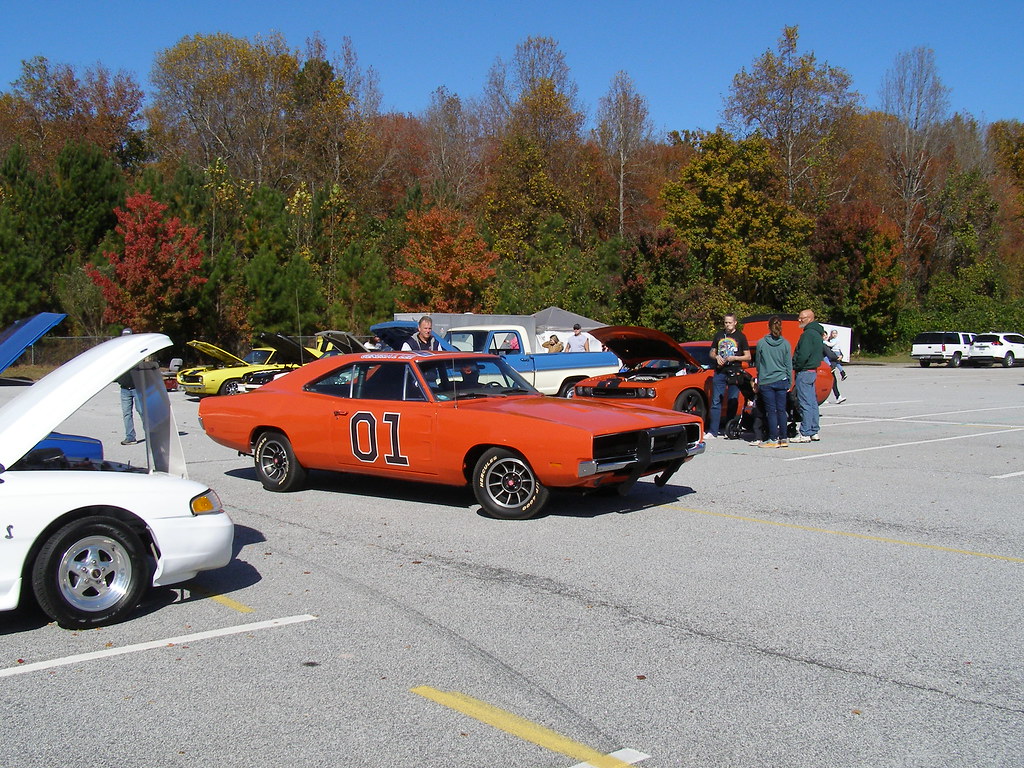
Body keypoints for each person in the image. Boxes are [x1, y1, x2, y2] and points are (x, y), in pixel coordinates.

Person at [707, 313, 751, 438]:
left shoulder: (741, 337)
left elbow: (748, 356)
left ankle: (729, 428)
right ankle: (713, 431)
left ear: (735, 323)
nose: (727, 325)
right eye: (726, 322)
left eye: (730, 322)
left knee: (732, 399)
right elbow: (712, 351)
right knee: (716, 400)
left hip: (734, 371)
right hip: (720, 371)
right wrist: (716, 357)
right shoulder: (719, 335)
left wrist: (734, 357)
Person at [755, 316, 793, 448]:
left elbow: (758, 364)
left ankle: (773, 438)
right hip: (782, 379)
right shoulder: (786, 344)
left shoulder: (761, 343)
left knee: (771, 411)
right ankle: (783, 438)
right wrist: (790, 381)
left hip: (767, 380)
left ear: (768, 326)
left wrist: (759, 378)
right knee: (781, 410)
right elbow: (789, 364)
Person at [791, 309, 825, 442]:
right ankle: (814, 430)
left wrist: (796, 365)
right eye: (799, 318)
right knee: (812, 402)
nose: (799, 320)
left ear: (810, 318)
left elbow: (803, 354)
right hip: (812, 371)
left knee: (805, 402)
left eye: (802, 318)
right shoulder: (817, 334)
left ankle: (805, 433)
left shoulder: (807, 334)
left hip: (804, 371)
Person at [117, 328, 143, 445]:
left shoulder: (137, 352)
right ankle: (130, 436)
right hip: (124, 389)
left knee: (142, 411)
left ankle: (151, 434)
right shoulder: (119, 353)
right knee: (126, 413)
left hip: (137, 387)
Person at [823, 330, 847, 404]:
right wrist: (837, 358)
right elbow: (830, 354)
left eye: (826, 335)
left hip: (831, 365)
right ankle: (823, 398)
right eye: (824, 335)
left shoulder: (830, 343)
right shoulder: (823, 345)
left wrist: (841, 355)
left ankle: (838, 397)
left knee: (833, 381)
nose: (825, 336)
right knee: (827, 382)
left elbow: (837, 350)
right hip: (825, 366)